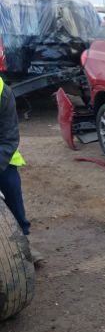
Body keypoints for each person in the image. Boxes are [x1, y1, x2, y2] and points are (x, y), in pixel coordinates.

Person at [0, 76, 31, 236]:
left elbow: (9, 138)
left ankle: (23, 239)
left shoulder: (3, 93)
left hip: (3, 159)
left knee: (12, 198)